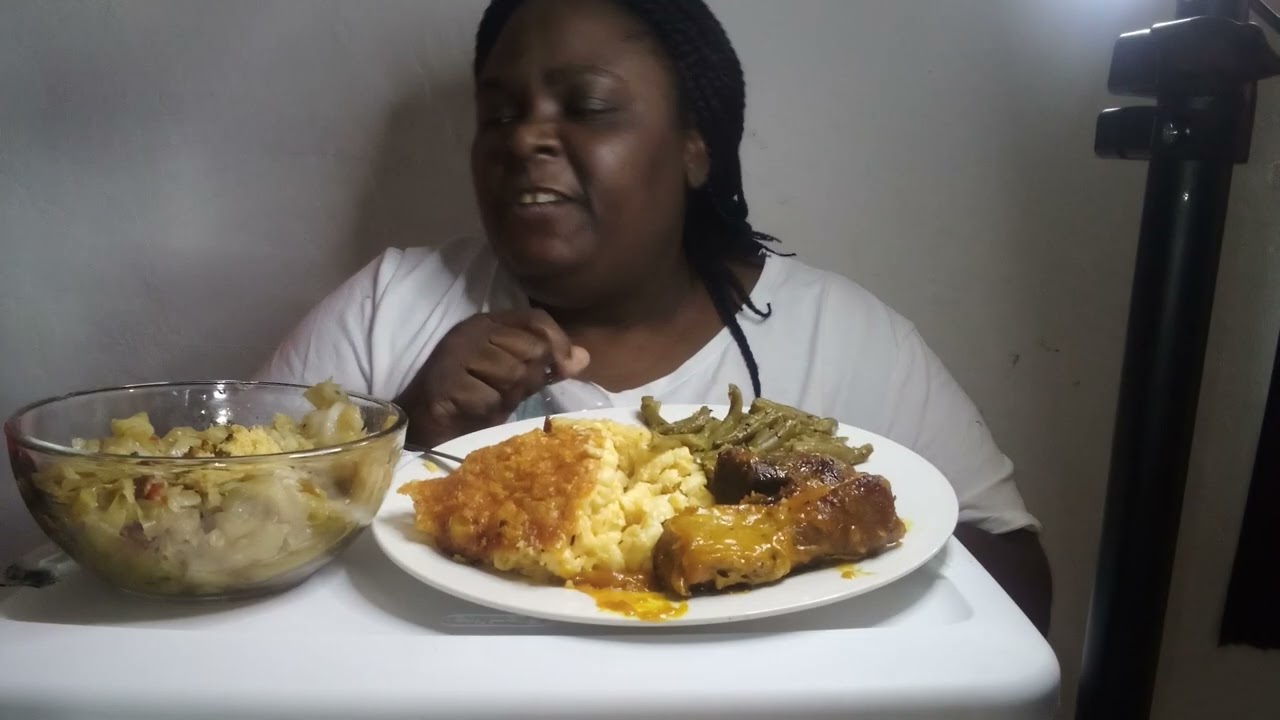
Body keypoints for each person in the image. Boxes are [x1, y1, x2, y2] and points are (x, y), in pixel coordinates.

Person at [256, 0, 1052, 633]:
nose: (526, 135)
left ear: (694, 148)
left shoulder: (844, 339)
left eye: (589, 105)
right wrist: (400, 433)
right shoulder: (386, 306)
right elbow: (224, 532)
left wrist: (823, 540)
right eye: (498, 114)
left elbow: (1020, 587)